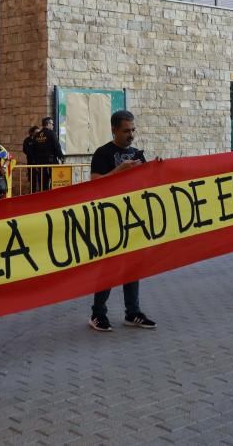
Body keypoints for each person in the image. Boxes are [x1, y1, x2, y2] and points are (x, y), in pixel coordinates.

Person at [88, 110, 157, 332]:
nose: (131, 135)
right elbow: (96, 183)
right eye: (126, 130)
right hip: (110, 218)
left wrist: (158, 168)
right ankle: (98, 314)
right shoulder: (102, 153)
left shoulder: (137, 153)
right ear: (114, 130)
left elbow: (148, 181)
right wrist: (119, 170)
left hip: (133, 217)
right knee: (109, 266)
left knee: (132, 266)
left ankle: (133, 312)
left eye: (133, 130)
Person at [30, 117, 64, 193]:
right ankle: (53, 196)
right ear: (48, 124)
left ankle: (44, 198)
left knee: (42, 182)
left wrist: (34, 162)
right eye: (52, 124)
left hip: (40, 163)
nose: (53, 126)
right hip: (51, 162)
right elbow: (57, 146)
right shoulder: (51, 134)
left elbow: (33, 150)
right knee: (55, 180)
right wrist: (61, 157)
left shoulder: (36, 135)